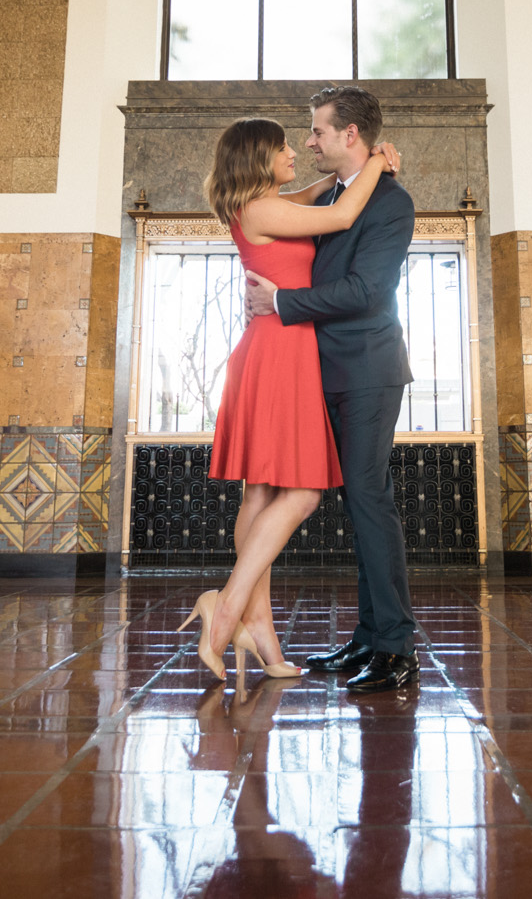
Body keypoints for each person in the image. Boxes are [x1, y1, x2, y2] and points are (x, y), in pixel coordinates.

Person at [177, 115, 399, 681]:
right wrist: (374, 162)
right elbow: (344, 214)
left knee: (260, 494)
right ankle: (225, 608)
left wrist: (348, 172)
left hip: (276, 348)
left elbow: (314, 194)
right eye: (283, 147)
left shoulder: (260, 204)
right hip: (279, 351)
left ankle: (262, 631)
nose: (296, 151)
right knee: (299, 495)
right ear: (259, 158)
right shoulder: (261, 210)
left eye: (304, 139)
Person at [245, 85, 420, 694]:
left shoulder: (391, 203)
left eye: (318, 131)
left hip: (370, 370)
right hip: (326, 371)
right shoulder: (343, 192)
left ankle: (397, 648)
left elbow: (367, 292)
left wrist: (282, 302)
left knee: (371, 501)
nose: (311, 141)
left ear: (350, 135)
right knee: (360, 505)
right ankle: (369, 636)